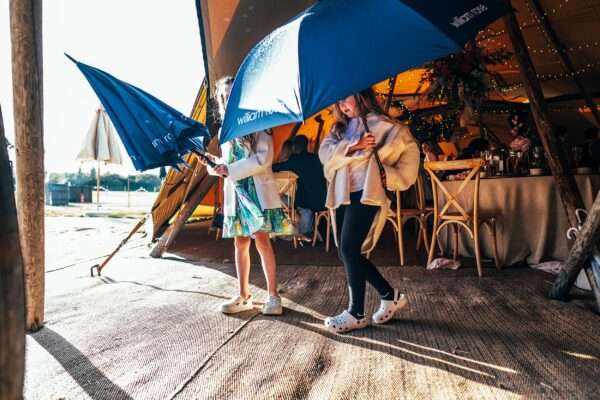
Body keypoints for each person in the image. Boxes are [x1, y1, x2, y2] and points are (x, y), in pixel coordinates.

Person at [318, 88, 420, 334]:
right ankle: (389, 294)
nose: (342, 104)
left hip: (367, 192)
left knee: (350, 249)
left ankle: (357, 313)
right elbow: (325, 155)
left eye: (346, 97)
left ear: (361, 96)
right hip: (343, 192)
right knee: (346, 252)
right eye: (339, 99)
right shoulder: (338, 129)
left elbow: (411, 155)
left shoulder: (387, 127)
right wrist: (354, 146)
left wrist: (389, 176)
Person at [200, 76, 293, 316]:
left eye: (233, 93)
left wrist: (230, 169)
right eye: (224, 95)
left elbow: (264, 158)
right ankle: (244, 295)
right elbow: (228, 161)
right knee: (240, 242)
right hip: (236, 192)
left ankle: (273, 295)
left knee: (262, 241)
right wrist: (215, 165)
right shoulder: (224, 130)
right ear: (221, 100)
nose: (228, 98)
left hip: (256, 191)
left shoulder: (258, 122)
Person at [273, 135, 327, 240]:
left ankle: (295, 231)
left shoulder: (295, 160)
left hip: (305, 203)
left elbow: (276, 168)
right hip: (323, 201)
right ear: (307, 146)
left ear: (293, 148)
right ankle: (308, 231)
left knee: (278, 197)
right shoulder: (316, 158)